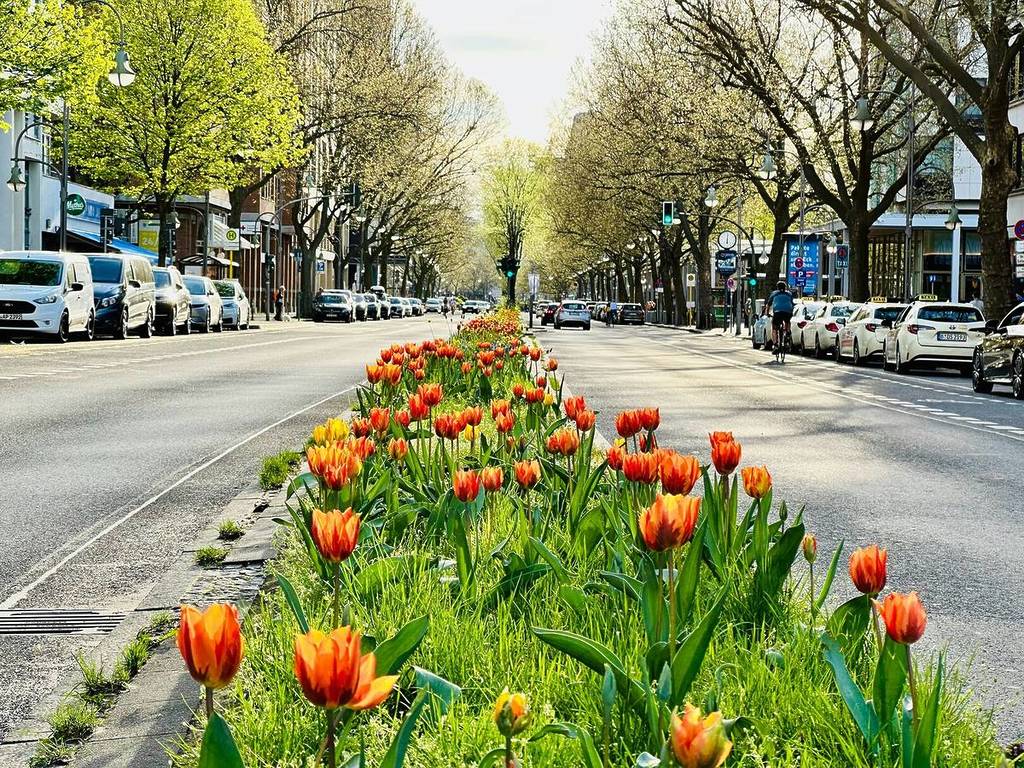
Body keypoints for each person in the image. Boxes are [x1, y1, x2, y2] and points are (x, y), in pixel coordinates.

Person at [767, 280, 795, 350]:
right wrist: (792, 312)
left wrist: (767, 313)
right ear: (785, 287)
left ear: (777, 287)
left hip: (777, 311)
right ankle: (788, 332)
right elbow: (792, 303)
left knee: (774, 328)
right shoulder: (789, 293)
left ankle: (775, 345)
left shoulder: (774, 293)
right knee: (787, 321)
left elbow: (769, 304)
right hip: (787, 310)